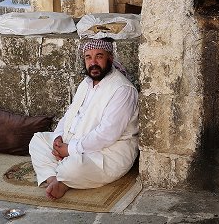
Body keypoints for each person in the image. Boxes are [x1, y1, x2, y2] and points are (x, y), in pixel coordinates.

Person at [29, 39, 139, 200]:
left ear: (109, 58)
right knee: (38, 140)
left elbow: (107, 134)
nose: (93, 62)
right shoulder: (86, 84)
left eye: (99, 56)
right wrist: (59, 138)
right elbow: (70, 115)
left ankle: (63, 177)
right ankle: (55, 180)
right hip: (74, 143)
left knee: (74, 167)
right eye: (88, 57)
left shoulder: (122, 90)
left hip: (108, 153)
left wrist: (69, 150)